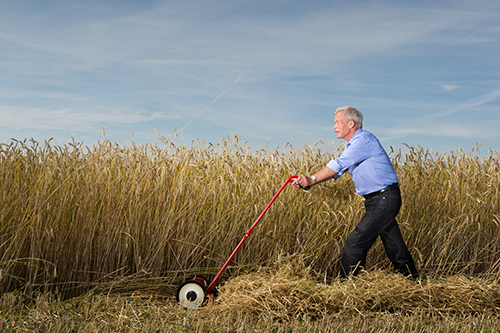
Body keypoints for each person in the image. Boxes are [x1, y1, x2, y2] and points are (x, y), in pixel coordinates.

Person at [292, 106, 418, 278]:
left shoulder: (363, 140)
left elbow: (338, 164)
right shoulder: (353, 145)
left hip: (384, 198)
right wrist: (308, 182)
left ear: (351, 123)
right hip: (378, 199)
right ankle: (409, 277)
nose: (334, 126)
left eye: (337, 122)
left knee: (356, 241)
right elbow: (337, 170)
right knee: (392, 241)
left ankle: (346, 286)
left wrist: (311, 179)